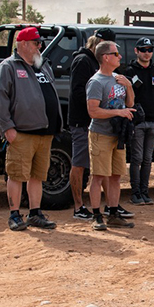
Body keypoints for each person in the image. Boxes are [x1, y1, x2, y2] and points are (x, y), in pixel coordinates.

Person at [0, 27, 60, 231]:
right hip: (22, 132)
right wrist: (7, 128)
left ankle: (35, 213)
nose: (40, 47)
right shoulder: (8, 67)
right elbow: (0, 100)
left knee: (37, 176)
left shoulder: (43, 66)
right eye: (36, 43)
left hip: (44, 132)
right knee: (16, 175)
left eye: (40, 43)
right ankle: (14, 215)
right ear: (23, 44)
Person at [85, 40, 136, 230]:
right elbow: (93, 111)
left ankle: (113, 213)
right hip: (101, 134)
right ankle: (96, 216)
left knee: (116, 176)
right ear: (106, 57)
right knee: (98, 176)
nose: (120, 57)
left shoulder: (118, 78)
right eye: (115, 54)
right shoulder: (96, 82)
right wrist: (118, 112)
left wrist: (129, 86)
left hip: (118, 135)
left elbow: (130, 104)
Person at [66, 29, 113, 219]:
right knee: (79, 163)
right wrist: (97, 103)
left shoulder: (94, 62)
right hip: (81, 121)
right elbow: (77, 92)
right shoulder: (83, 60)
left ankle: (111, 205)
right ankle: (78, 207)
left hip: (96, 121)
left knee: (102, 164)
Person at [121, 37, 154, 205]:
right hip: (137, 122)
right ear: (136, 51)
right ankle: (135, 193)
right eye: (143, 50)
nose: (147, 53)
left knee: (148, 159)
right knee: (136, 158)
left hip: (153, 122)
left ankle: (144, 191)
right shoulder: (129, 72)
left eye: (149, 50)